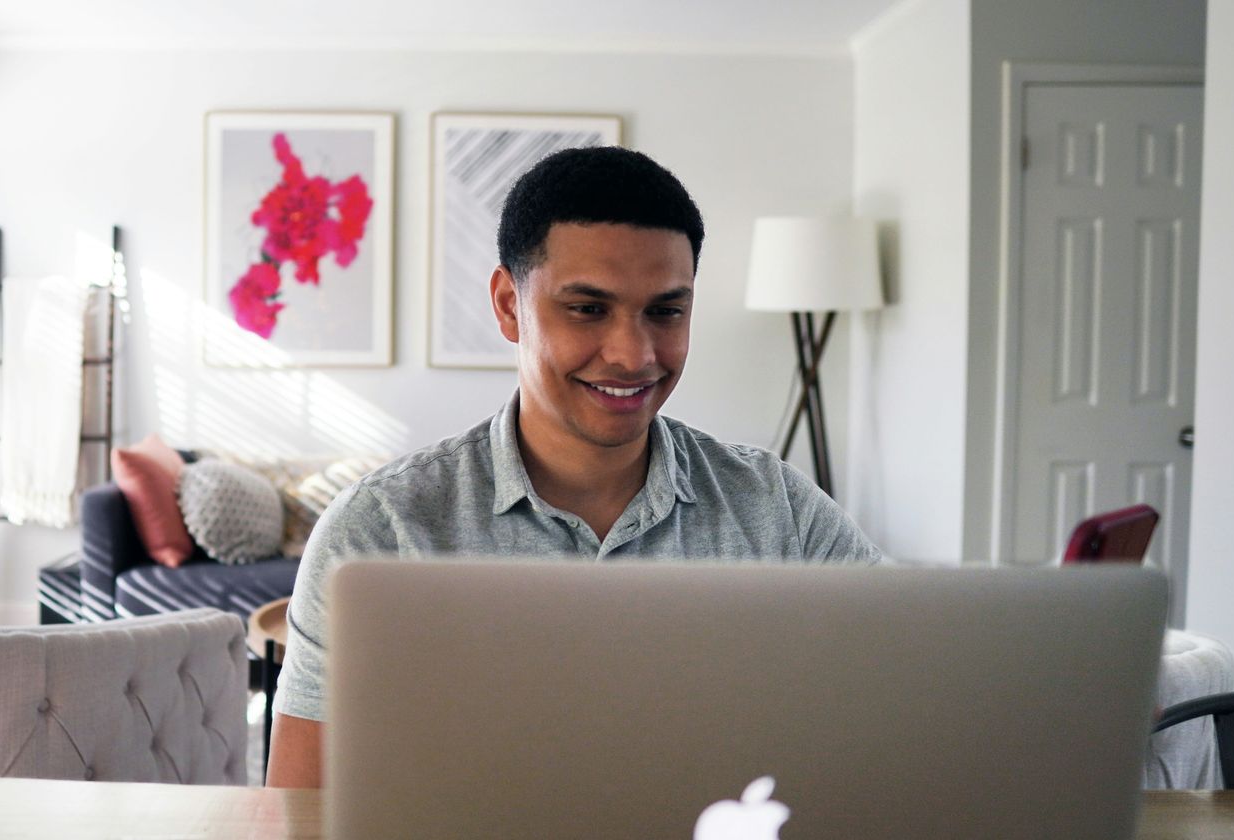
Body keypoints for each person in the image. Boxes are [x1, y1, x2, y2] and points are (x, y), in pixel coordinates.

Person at [265, 146, 883, 788]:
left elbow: (908, 691)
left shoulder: (776, 509)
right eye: (588, 309)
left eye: (665, 311)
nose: (633, 354)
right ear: (509, 305)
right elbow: (298, 811)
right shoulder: (380, 529)